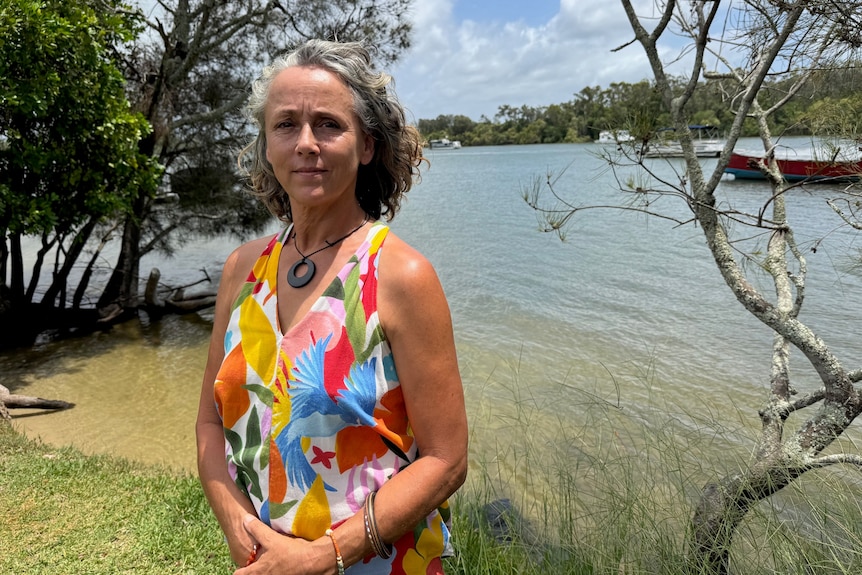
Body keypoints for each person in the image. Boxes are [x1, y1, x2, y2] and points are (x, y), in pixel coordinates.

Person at [195, 39, 468, 575]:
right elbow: (209, 420)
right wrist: (239, 528)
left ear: (366, 146)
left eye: (327, 124)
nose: (305, 143)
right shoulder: (241, 269)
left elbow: (446, 459)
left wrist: (322, 557)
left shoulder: (400, 275)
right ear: (265, 144)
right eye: (285, 125)